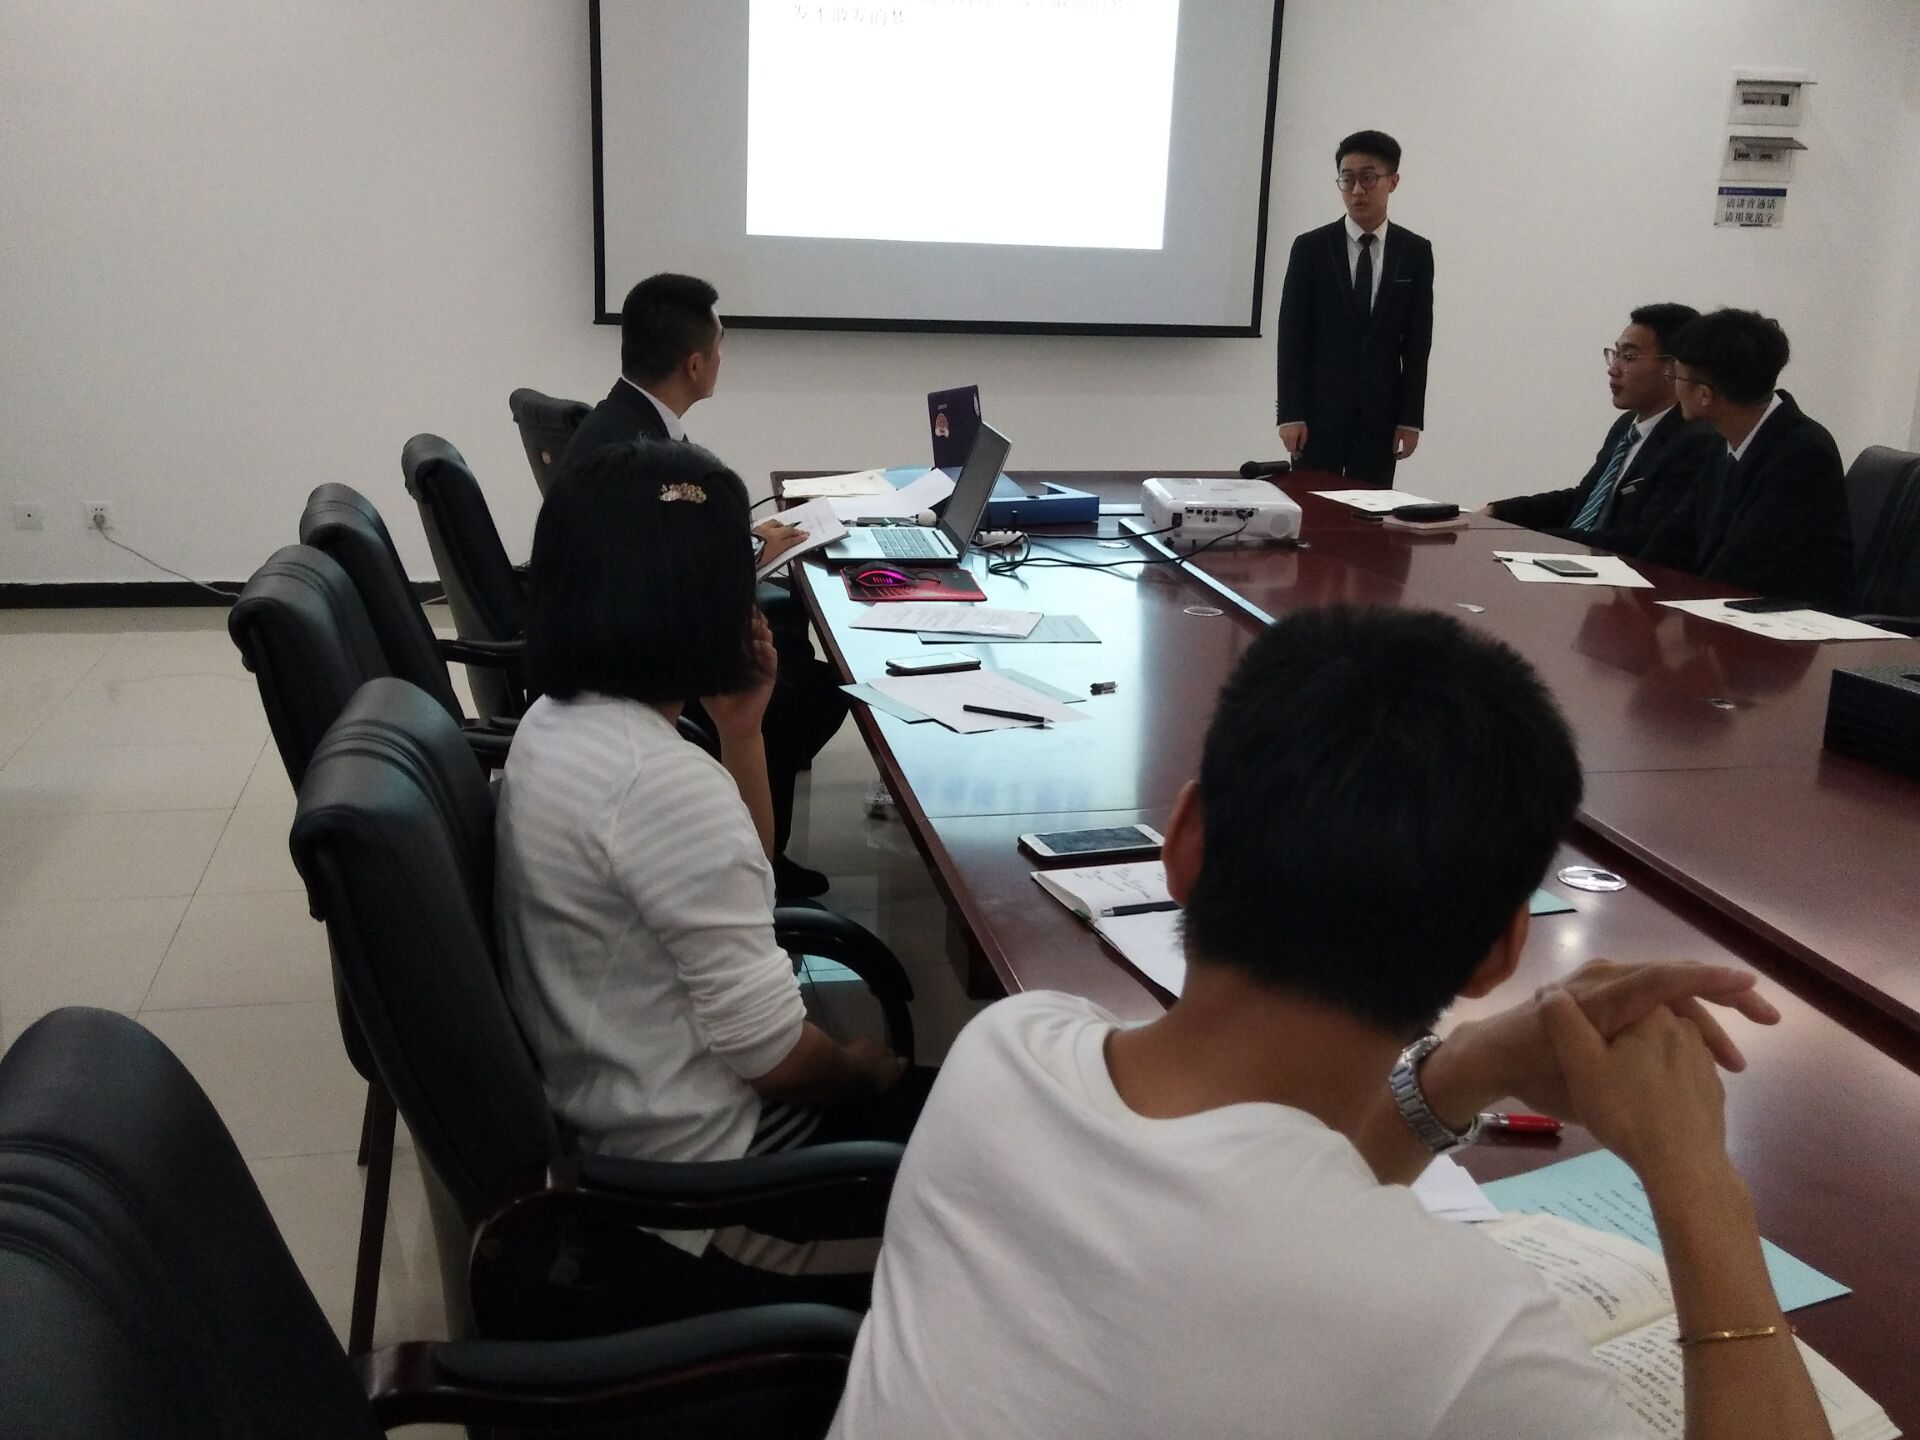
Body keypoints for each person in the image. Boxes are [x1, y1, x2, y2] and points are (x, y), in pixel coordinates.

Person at [829, 606, 1825, 1440]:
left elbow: (1284, 1204)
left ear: (1183, 840)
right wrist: (1697, 1180)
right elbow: (1303, 1231)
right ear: (1501, 951)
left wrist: (1469, 1069)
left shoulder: (1004, 1054)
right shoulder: (1456, 1333)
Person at [496, 440, 933, 1307]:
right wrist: (861, 1069)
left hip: (631, 1124)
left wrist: (742, 730)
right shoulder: (657, 784)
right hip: (721, 1200)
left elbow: (741, 884)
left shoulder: (562, 720)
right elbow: (777, 1058)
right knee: (1032, 1194)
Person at [565, 273, 848, 897]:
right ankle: (759, 858)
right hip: (640, 671)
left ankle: (765, 842)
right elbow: (659, 571)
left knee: (786, 643)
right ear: (696, 363)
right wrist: (745, 554)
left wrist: (743, 541)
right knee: (816, 691)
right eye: (720, 346)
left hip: (612, 643)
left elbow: (659, 545)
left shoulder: (624, 420)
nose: (722, 358)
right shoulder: (639, 451)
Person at [1641, 308, 1853, 612]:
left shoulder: (1803, 452)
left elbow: (1745, 563)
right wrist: (1634, 588)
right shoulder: (1720, 440)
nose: (1674, 386)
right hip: (1727, 612)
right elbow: (1674, 537)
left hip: (1785, 626)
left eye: (1676, 376)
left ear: (1704, 395)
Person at [1486, 304, 1717, 555]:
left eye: (1629, 357)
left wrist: (1535, 541)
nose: (1613, 369)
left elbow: (1644, 540)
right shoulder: (1626, 426)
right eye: (1615, 354)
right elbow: (1583, 500)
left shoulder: (1694, 441)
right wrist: (1498, 512)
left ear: (1672, 368)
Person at [1275, 131, 1434, 485]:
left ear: (1393, 182)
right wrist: (1290, 414)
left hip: (1380, 416)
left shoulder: (1415, 251)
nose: (1357, 190)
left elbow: (1417, 342)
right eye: (1347, 179)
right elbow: (1292, 336)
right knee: (1313, 507)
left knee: (1373, 510)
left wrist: (1410, 419)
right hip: (1316, 415)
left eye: (1368, 178)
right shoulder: (1311, 248)